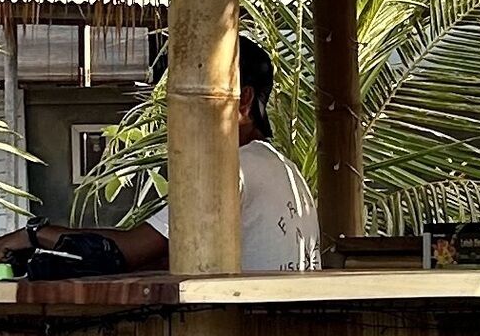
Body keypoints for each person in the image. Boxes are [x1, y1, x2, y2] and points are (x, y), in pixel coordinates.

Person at [20, 36, 319, 276]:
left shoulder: (230, 170)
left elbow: (118, 254)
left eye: (198, 96)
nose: (178, 116)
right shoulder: (283, 169)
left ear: (244, 101)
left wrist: (32, 235)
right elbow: (164, 257)